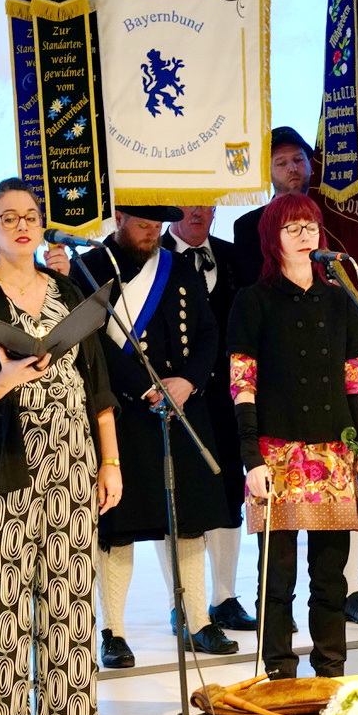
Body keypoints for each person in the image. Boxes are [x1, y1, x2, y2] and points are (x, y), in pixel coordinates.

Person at [0, 178, 121, 715]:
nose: (22, 226)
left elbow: (98, 384)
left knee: (70, 598)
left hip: (73, 460)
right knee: (2, 604)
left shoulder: (69, 288)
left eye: (31, 216)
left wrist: (110, 461)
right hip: (5, 464)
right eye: (9, 217)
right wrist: (4, 379)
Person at [227, 192, 358, 680]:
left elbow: (355, 381)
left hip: (334, 452)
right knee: (277, 577)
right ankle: (279, 670)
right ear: (272, 237)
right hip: (277, 452)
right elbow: (242, 384)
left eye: (310, 226)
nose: (304, 235)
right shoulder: (252, 300)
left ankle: (331, 669)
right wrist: (251, 458)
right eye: (291, 227)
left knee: (330, 577)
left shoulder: (342, 299)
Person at [78, 203, 237, 667]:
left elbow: (207, 333)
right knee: (119, 528)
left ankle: (197, 621)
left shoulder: (177, 265)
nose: (152, 233)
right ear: (119, 219)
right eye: (143, 225)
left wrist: (188, 381)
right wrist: (143, 386)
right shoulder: (90, 269)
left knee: (189, 521)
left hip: (183, 407)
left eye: (156, 225)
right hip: (125, 413)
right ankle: (113, 632)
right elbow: (93, 346)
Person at [162, 205, 259, 633]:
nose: (198, 211)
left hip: (227, 397)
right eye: (188, 202)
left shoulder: (234, 256)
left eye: (206, 201)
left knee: (229, 491)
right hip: (174, 397)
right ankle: (181, 604)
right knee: (178, 501)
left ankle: (225, 597)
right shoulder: (155, 257)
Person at [232, 126, 314, 284]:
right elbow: (253, 285)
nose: (292, 168)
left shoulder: (332, 215)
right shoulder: (249, 226)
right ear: (266, 172)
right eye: (281, 163)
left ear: (310, 163)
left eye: (298, 160)